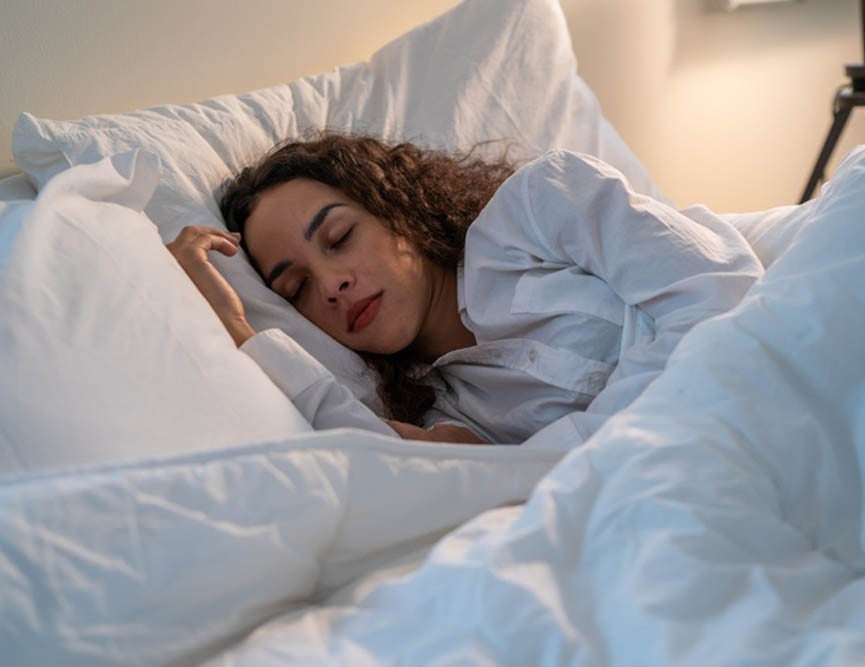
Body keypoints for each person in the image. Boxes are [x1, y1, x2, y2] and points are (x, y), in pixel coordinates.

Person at [167, 134, 763, 449]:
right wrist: (237, 328)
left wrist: (570, 449)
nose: (332, 285)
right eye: (296, 289)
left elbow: (720, 292)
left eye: (341, 237)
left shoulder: (538, 206)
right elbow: (371, 455)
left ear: (394, 206)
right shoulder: (449, 414)